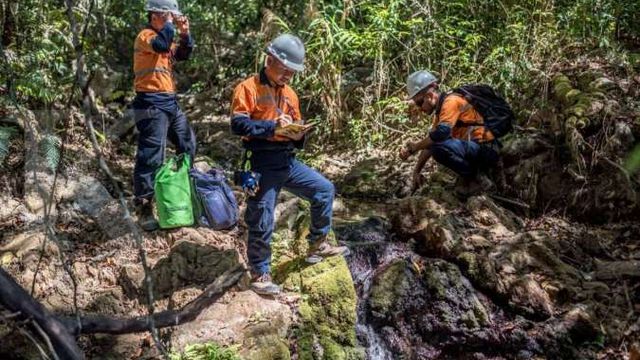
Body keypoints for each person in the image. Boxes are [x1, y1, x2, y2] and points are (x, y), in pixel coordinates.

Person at [230, 34, 349, 295]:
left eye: (292, 73)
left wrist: (298, 133)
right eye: (285, 70)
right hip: (261, 161)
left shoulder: (291, 94)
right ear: (270, 60)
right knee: (262, 214)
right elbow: (238, 124)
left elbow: (296, 127)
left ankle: (317, 244)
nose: (288, 77)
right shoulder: (248, 88)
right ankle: (260, 272)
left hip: (287, 159)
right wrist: (273, 126)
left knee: (324, 190)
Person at [132, 0, 196, 231]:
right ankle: (144, 207)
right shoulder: (146, 36)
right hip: (149, 102)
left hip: (169, 102)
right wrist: (171, 24)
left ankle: (182, 194)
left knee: (187, 144)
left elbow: (183, 54)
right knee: (151, 155)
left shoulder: (165, 38)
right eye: (168, 15)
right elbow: (160, 45)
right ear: (157, 15)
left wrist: (185, 33)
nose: (172, 19)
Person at [399, 70, 500, 195]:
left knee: (438, 148)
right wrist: (416, 171)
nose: (420, 108)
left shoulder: (451, 102)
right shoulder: (441, 112)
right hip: (475, 149)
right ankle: (472, 178)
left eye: (419, 102)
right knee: (436, 145)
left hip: (486, 149)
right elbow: (430, 143)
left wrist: (414, 148)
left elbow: (440, 135)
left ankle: (475, 180)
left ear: (429, 96)